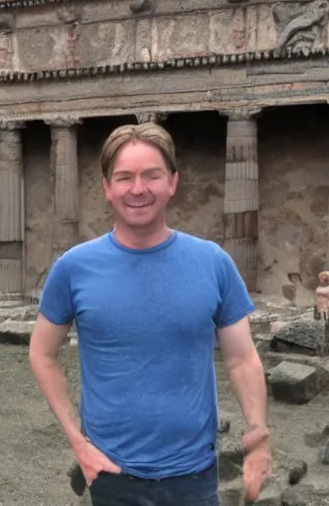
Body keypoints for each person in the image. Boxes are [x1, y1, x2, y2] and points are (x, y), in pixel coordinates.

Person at [28, 123, 273, 505]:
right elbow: (42, 354)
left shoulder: (212, 263)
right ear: (107, 188)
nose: (138, 189)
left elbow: (243, 359)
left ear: (172, 182)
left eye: (151, 176)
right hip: (112, 475)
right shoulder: (73, 268)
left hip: (194, 477)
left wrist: (258, 437)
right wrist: (78, 441)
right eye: (124, 177)